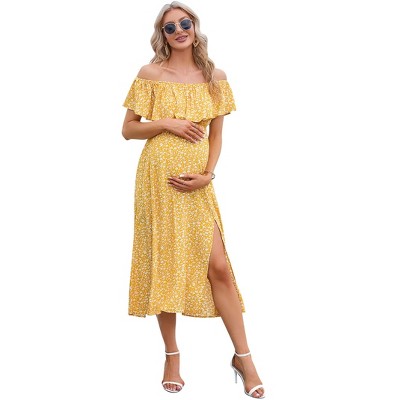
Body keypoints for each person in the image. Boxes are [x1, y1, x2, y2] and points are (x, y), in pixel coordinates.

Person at [121, 2, 265, 398]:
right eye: (170, 27)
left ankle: (244, 358)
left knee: (218, 267)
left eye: (185, 23)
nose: (179, 30)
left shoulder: (216, 77)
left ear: (195, 28)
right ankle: (172, 355)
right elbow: (128, 129)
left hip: (199, 183)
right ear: (163, 35)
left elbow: (216, 135)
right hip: (158, 182)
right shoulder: (150, 74)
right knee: (165, 264)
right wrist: (166, 123)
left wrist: (208, 175)